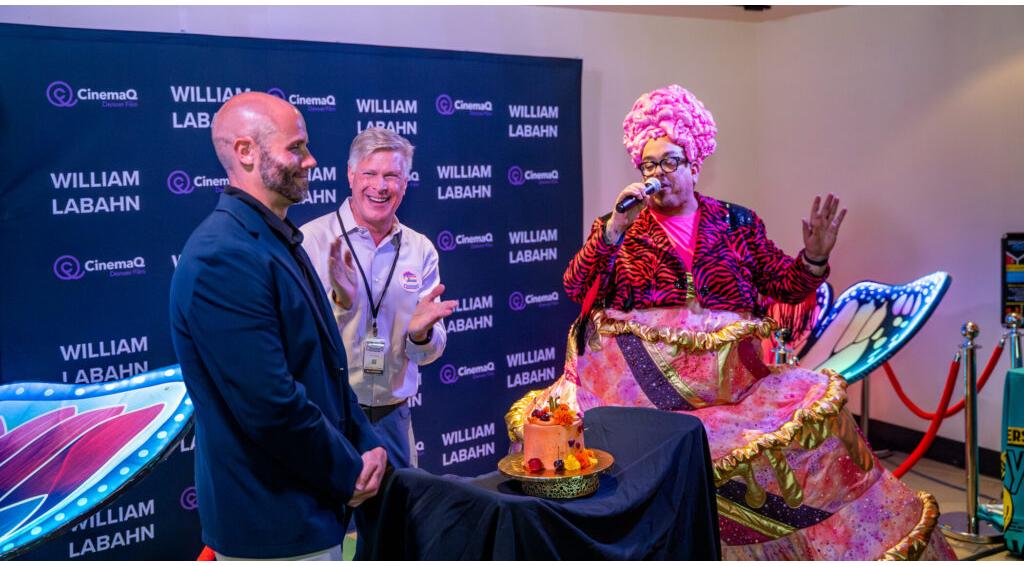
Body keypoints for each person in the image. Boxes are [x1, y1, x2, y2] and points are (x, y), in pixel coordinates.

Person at [507, 85, 956, 560]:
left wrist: (815, 259)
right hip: (648, 395)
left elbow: (787, 284)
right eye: (649, 165)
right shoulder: (623, 229)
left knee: (812, 443)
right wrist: (613, 230)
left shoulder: (736, 223)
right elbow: (576, 286)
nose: (658, 175)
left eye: (670, 162)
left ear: (695, 163)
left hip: (735, 388)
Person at [170, 92, 386, 560]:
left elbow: (324, 366)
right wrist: (349, 469)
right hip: (272, 526)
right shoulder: (221, 256)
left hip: (310, 512)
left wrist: (367, 444)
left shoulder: (276, 237)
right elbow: (270, 406)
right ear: (246, 152)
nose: (310, 160)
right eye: (296, 148)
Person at [301, 127, 456, 469]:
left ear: (405, 182)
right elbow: (296, 339)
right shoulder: (311, 242)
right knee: (332, 521)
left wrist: (420, 334)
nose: (380, 186)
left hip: (393, 419)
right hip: (329, 417)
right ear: (350, 175)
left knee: (396, 522)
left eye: (391, 176)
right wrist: (339, 304)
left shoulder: (421, 250)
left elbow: (430, 351)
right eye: (370, 173)